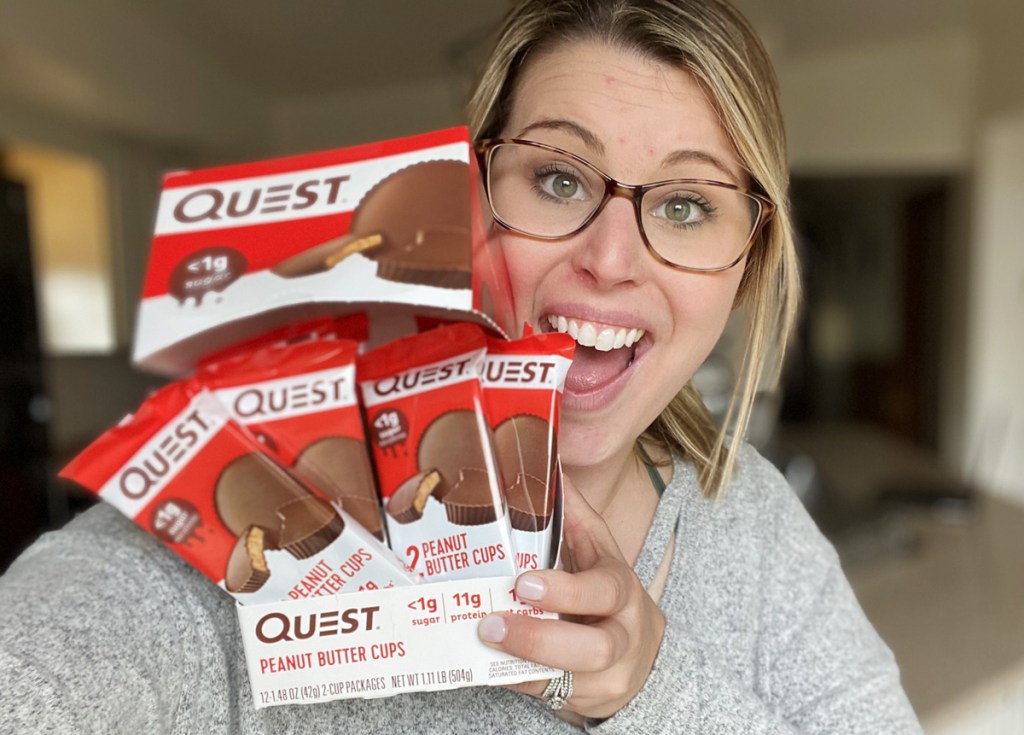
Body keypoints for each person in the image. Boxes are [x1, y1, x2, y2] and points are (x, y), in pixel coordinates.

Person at [0, 0, 921, 732]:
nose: (609, 259)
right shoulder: (269, 492)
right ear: (470, 201)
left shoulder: (753, 524)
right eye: (558, 178)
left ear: (747, 263)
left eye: (685, 205)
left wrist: (647, 686)